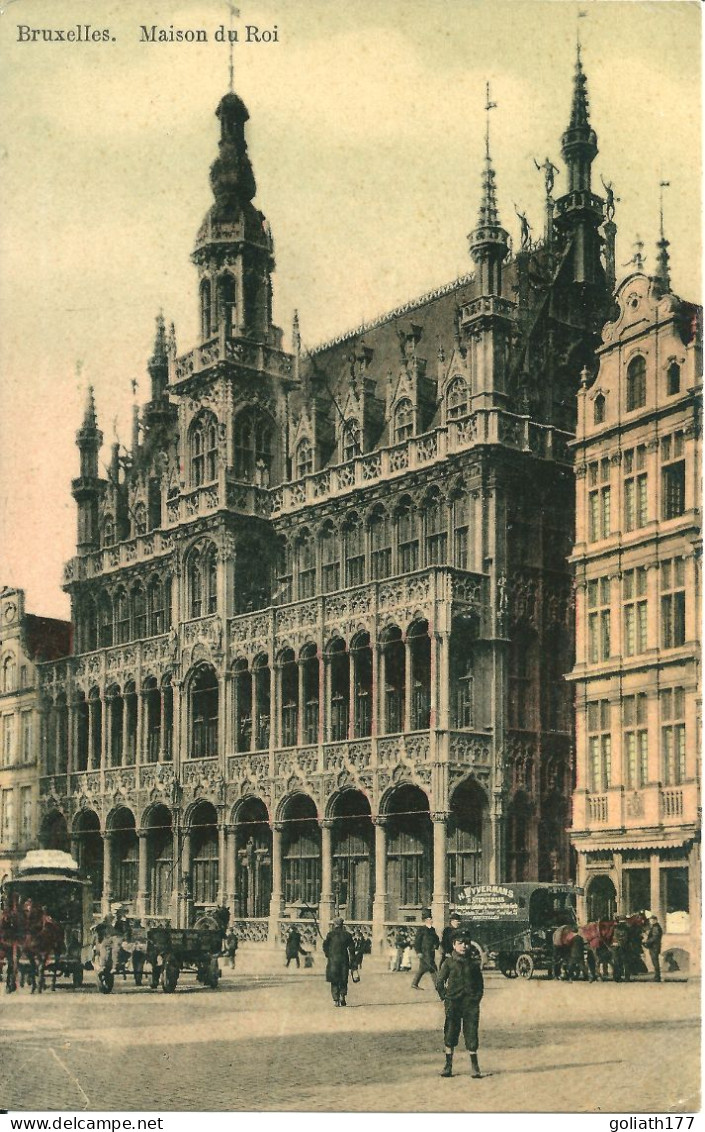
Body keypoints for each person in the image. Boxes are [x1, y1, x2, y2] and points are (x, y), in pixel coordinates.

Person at [437, 931, 484, 1079]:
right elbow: (439, 982)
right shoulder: (448, 963)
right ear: (453, 945)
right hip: (453, 1002)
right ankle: (448, 1065)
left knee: (471, 1032)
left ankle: (475, 1066)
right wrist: (445, 997)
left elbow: (480, 984)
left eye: (466, 943)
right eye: (460, 943)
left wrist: (476, 998)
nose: (463, 946)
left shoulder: (474, 963)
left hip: (470, 1004)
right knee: (450, 1032)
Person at [322, 916, 356, 1007]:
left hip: (333, 960)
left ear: (334, 924)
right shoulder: (347, 935)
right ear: (342, 925)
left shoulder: (330, 934)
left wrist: (328, 954)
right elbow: (352, 949)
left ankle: (336, 1000)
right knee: (343, 979)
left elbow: (325, 946)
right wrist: (353, 961)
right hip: (344, 959)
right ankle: (343, 996)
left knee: (334, 979)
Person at [411, 908, 440, 990]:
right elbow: (417, 942)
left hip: (431, 952)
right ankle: (438, 985)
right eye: (429, 919)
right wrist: (418, 952)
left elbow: (436, 939)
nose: (431, 920)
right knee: (433, 968)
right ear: (425, 920)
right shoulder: (421, 930)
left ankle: (414, 983)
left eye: (431, 919)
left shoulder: (432, 929)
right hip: (424, 952)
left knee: (424, 969)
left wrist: (436, 945)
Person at [644, 915, 663, 983]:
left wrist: (647, 942)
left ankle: (657, 977)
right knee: (655, 961)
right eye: (650, 920)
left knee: (655, 961)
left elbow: (655, 937)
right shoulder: (655, 927)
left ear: (655, 920)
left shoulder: (656, 927)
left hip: (654, 947)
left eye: (652, 920)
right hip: (655, 947)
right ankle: (657, 977)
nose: (650, 921)